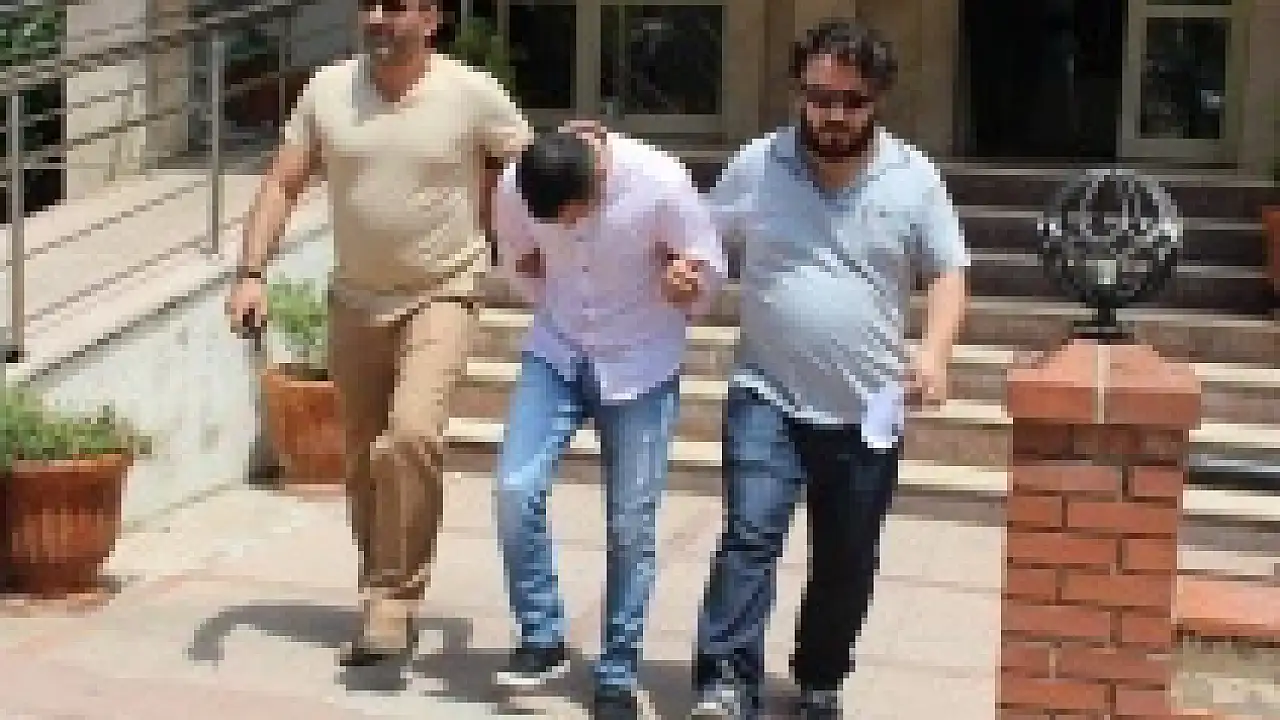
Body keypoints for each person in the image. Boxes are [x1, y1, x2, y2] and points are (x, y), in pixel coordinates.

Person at [226, 0, 530, 669]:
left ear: (432, 18)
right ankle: (379, 590)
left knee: (413, 435)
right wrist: (250, 273)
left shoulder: (472, 93)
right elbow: (282, 183)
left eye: (395, 6)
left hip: (442, 290)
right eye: (368, 4)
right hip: (355, 299)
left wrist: (537, 252)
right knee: (364, 460)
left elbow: (525, 172)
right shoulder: (328, 89)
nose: (377, 17)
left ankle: (395, 598)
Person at [689, 19, 970, 719]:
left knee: (848, 556)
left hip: (869, 406)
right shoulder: (758, 163)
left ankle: (820, 674)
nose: (834, 115)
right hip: (767, 391)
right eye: (819, 98)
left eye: (852, 101)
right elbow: (702, 240)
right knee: (749, 537)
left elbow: (948, 271)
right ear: (799, 92)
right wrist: (684, 271)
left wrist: (935, 351)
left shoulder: (913, 178)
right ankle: (726, 681)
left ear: (879, 99)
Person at [489, 123, 726, 719]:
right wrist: (538, 282)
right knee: (514, 489)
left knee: (631, 526)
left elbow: (708, 273)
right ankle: (542, 633)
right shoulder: (518, 184)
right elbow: (516, 254)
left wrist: (687, 286)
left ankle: (618, 671)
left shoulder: (661, 183)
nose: (569, 228)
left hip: (640, 363)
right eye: (558, 222)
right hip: (558, 349)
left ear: (597, 178)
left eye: (577, 215)